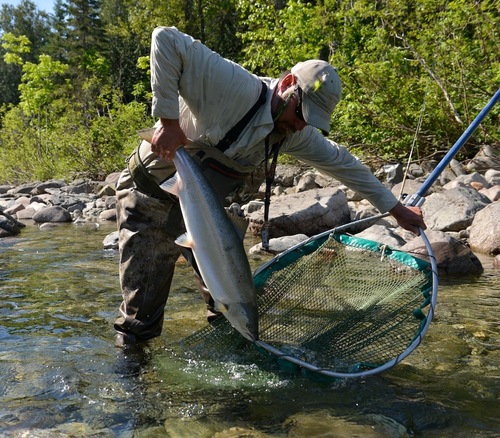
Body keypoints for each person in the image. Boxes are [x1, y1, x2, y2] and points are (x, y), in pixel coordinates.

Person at [114, 26, 426, 346]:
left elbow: (343, 164)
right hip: (149, 196)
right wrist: (167, 121)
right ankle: (131, 391)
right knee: (141, 322)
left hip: (201, 213)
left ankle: (231, 382)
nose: (301, 125)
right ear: (289, 85)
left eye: (311, 121)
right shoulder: (233, 86)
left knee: (230, 303)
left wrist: (396, 209)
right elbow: (165, 38)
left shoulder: (295, 131)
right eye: (301, 113)